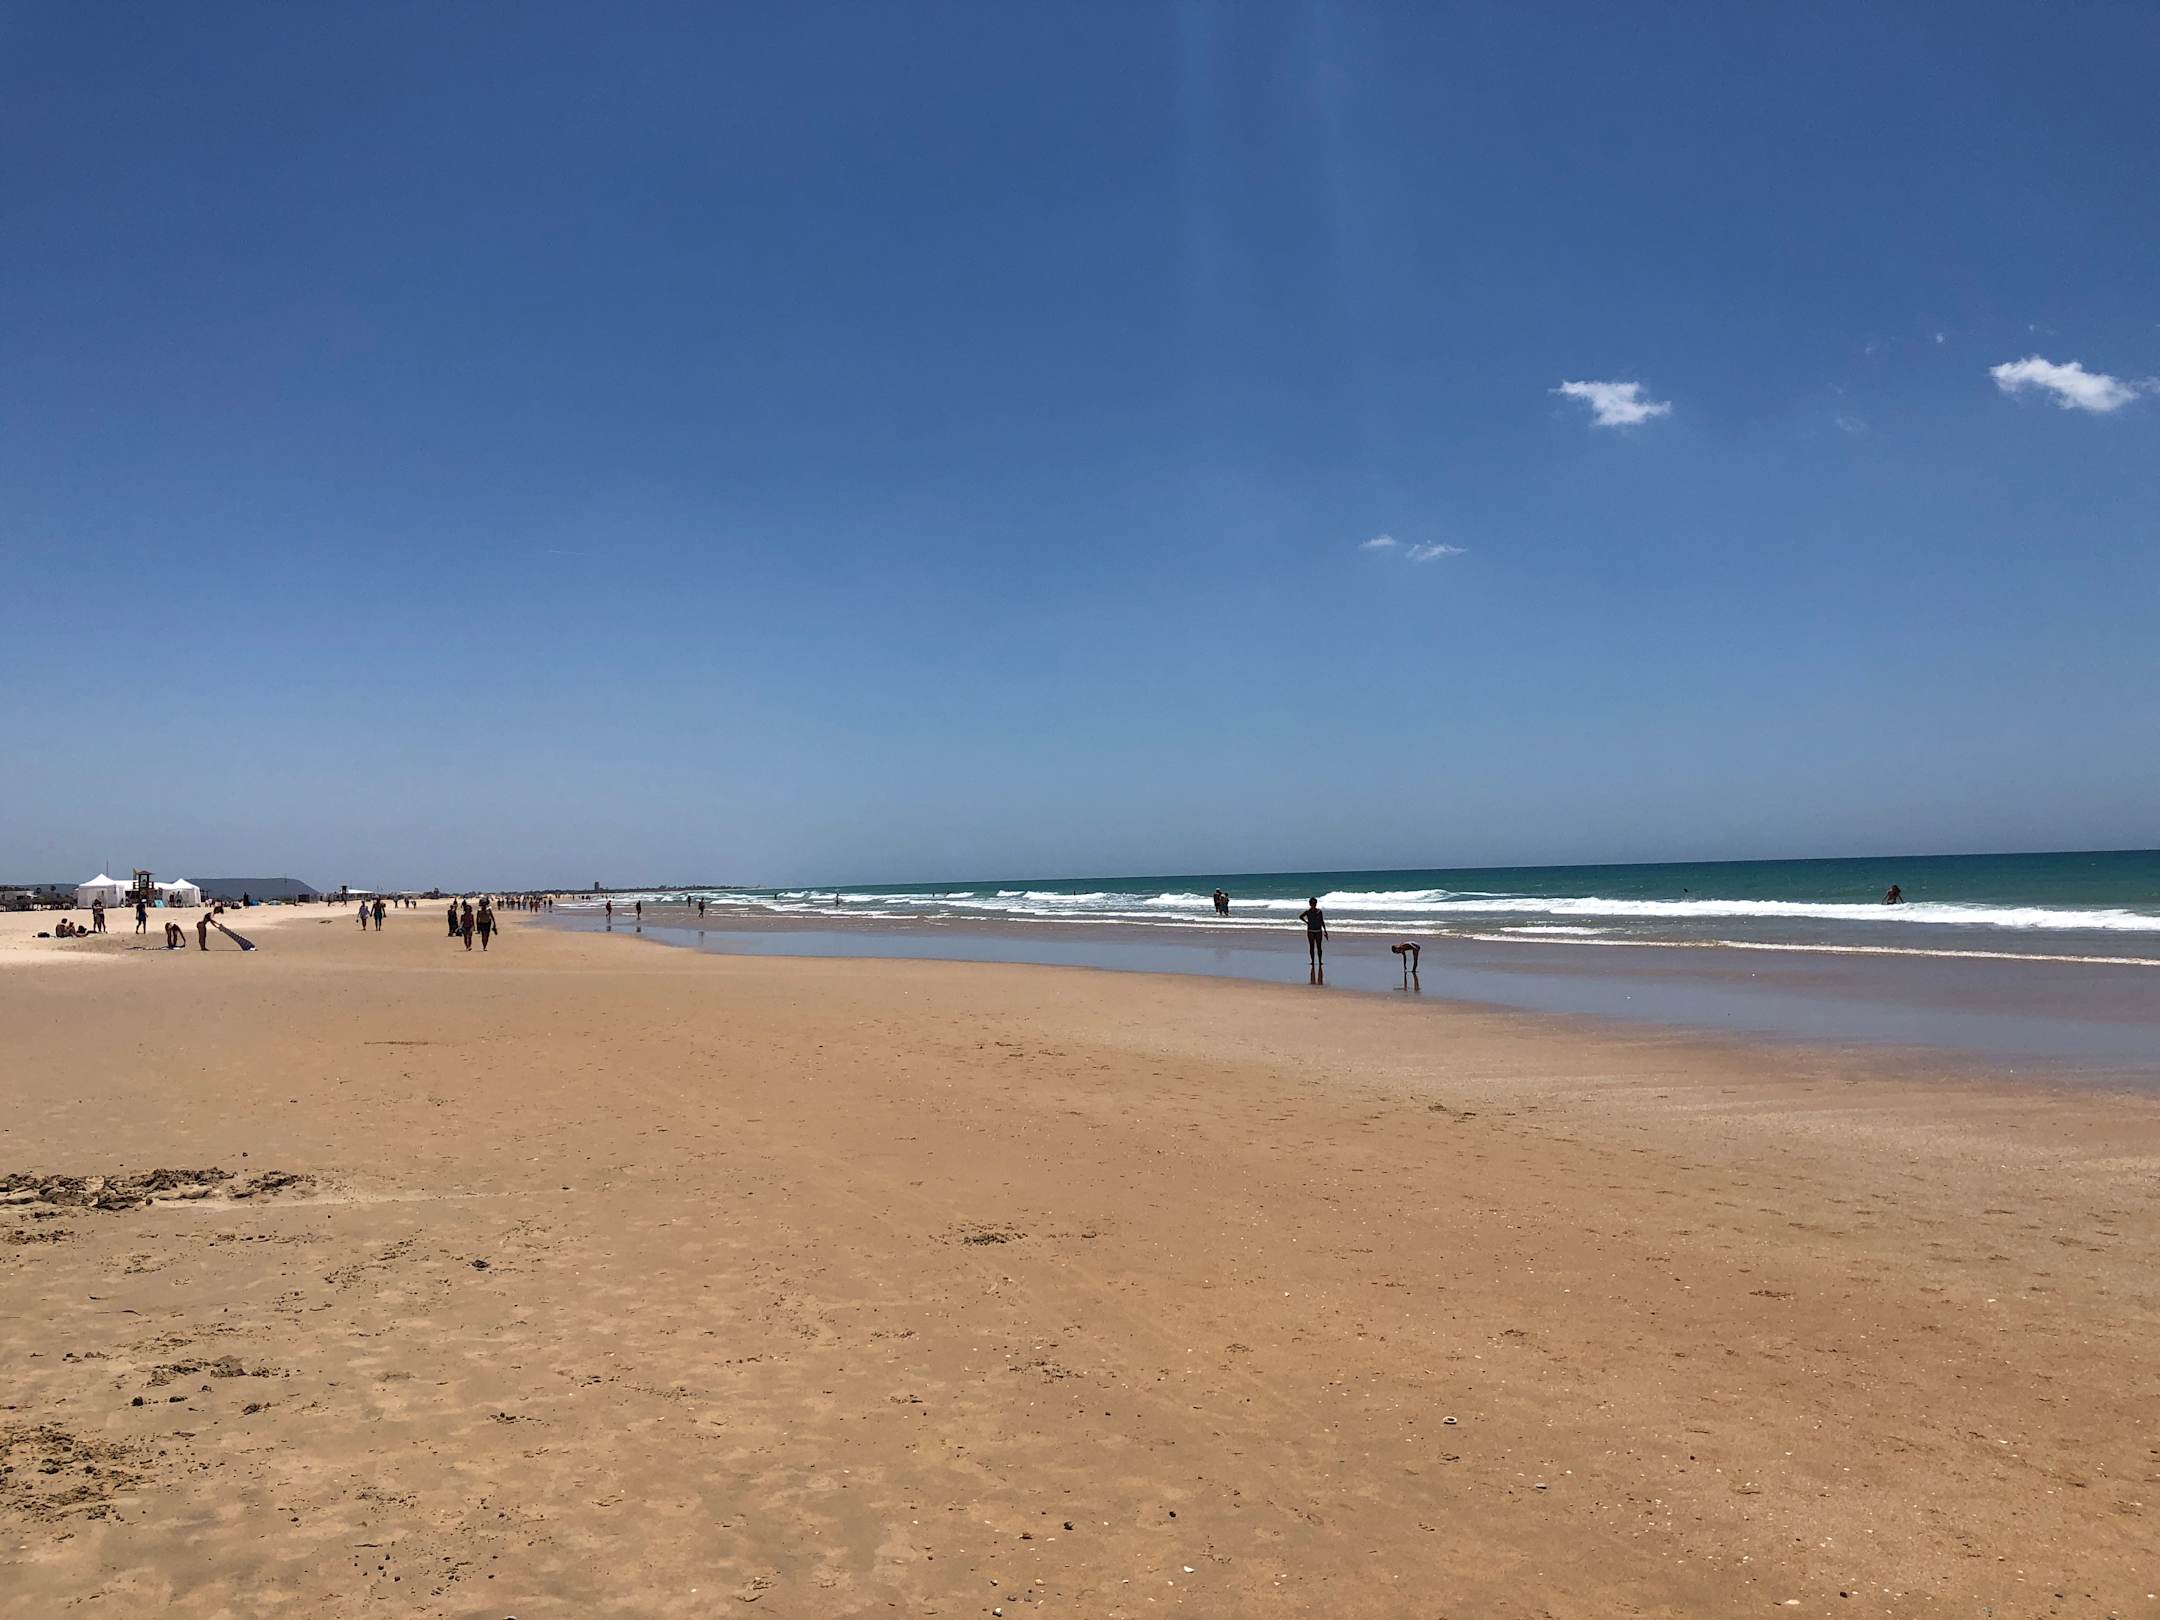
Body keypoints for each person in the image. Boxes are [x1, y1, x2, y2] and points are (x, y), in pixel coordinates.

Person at [1300, 896, 1328, 972]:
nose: (1313, 905)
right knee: (1312, 947)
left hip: (1318, 931)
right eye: (1312, 903)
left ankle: (1319, 961)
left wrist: (1325, 930)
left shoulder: (1318, 912)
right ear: (1310, 904)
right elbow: (1300, 917)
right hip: (1311, 931)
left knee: (1318, 947)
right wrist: (1306, 922)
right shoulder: (1308, 912)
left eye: (1314, 903)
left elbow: (1322, 921)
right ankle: (1313, 961)